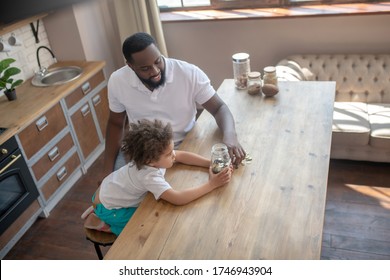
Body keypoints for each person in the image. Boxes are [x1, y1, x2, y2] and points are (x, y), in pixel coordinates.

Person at [102, 32, 245, 180]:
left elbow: (219, 108)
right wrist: (106, 170)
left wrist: (230, 136)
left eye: (158, 61)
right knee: (113, 193)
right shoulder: (117, 81)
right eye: (145, 69)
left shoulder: (188, 72)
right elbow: (115, 123)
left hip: (184, 145)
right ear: (130, 66)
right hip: (142, 152)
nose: (155, 71)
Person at [83, 119, 233, 236]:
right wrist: (211, 185)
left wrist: (210, 163)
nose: (174, 154)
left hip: (108, 190)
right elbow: (177, 198)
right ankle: (102, 223)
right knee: (141, 226)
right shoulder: (148, 176)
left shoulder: (149, 159)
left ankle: (99, 209)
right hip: (109, 208)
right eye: (169, 154)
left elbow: (181, 156)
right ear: (150, 161)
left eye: (172, 150)